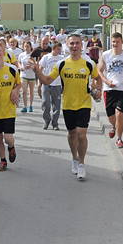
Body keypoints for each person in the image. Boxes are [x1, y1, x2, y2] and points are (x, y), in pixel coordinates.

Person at [35, 33, 101, 180]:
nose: (74, 46)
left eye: (77, 43)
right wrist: (37, 71)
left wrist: (98, 90)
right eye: (71, 43)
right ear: (67, 45)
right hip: (68, 104)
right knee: (72, 134)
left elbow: (97, 78)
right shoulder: (62, 64)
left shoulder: (89, 63)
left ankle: (82, 164)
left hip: (84, 104)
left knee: (81, 134)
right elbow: (47, 80)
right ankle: (74, 158)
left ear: (81, 45)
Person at [99, 32, 123, 149]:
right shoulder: (106, 55)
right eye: (113, 42)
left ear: (122, 42)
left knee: (119, 114)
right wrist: (106, 81)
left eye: (117, 42)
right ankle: (114, 126)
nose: (115, 44)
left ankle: (119, 139)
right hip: (109, 89)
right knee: (111, 116)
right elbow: (99, 70)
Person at [39, 42, 64, 130]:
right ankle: (46, 120)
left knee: (56, 105)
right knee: (45, 103)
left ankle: (55, 123)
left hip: (57, 84)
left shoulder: (62, 58)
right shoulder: (46, 57)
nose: (59, 51)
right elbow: (40, 69)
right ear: (53, 48)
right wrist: (40, 82)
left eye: (60, 49)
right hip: (46, 83)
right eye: (58, 49)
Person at [17, 41, 36, 113]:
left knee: (31, 92)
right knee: (24, 92)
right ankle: (25, 107)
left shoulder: (33, 55)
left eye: (28, 46)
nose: (26, 48)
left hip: (32, 75)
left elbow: (36, 65)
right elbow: (18, 62)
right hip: (23, 75)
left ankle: (30, 105)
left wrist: (31, 66)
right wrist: (21, 67)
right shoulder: (21, 55)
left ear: (31, 47)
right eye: (25, 46)